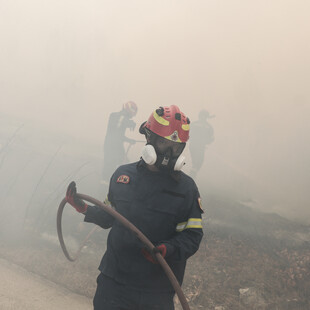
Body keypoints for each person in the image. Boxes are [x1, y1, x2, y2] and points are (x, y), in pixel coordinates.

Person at [66, 105, 204, 310]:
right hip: (114, 284)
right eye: (164, 143)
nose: (169, 152)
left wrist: (169, 249)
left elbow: (192, 236)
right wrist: (84, 208)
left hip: (156, 292)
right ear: (149, 138)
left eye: (175, 148)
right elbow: (109, 216)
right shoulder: (123, 177)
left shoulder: (187, 189)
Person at [102, 101, 138, 184]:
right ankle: (108, 185)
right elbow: (116, 133)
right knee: (112, 165)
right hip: (112, 147)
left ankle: (111, 183)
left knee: (119, 164)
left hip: (115, 145)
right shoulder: (118, 116)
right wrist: (129, 123)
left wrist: (129, 140)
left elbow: (118, 135)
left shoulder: (119, 117)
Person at [189, 109, 215, 179]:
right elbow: (211, 138)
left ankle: (193, 173)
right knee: (198, 161)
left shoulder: (195, 124)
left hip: (197, 146)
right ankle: (192, 174)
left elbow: (211, 138)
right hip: (197, 146)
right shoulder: (208, 127)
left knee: (198, 161)